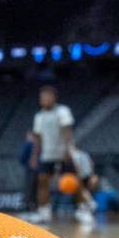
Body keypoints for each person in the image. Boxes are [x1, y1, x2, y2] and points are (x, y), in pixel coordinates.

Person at [30, 84, 75, 223]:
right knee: (42, 181)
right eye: (42, 97)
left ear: (54, 97)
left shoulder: (62, 111)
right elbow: (38, 139)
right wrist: (34, 155)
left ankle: (85, 208)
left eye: (47, 96)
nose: (44, 99)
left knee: (74, 182)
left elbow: (67, 131)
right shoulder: (39, 116)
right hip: (47, 155)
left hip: (62, 153)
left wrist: (68, 149)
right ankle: (44, 211)